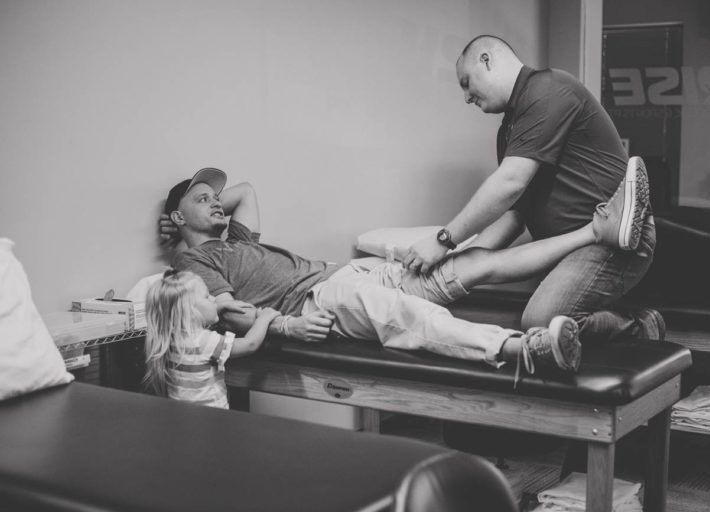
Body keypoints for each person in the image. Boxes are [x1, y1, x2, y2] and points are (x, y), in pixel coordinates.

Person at [157, 163, 646, 379]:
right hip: (319, 303)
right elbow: (229, 315)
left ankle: (593, 234)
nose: (219, 204)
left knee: (468, 264)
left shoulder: (233, 241)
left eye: (215, 198)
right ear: (178, 218)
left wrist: (199, 204)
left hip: (349, 272)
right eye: (203, 200)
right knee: (407, 316)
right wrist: (288, 325)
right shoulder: (193, 260)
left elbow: (245, 190)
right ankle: (522, 350)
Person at [403, 35, 663, 343]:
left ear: (486, 60)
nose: (466, 97)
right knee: (531, 320)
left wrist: (444, 240)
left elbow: (509, 184)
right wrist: (461, 263)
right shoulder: (510, 129)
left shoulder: (549, 90)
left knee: (540, 322)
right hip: (570, 246)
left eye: (465, 82)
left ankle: (640, 327)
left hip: (615, 239)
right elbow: (516, 215)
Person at [143, 269, 280, 408]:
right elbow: (249, 344)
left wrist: (222, 305)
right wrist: (264, 318)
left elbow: (198, 312)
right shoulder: (205, 341)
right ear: (191, 312)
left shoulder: (168, 338)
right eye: (207, 296)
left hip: (184, 417)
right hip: (212, 418)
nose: (214, 299)